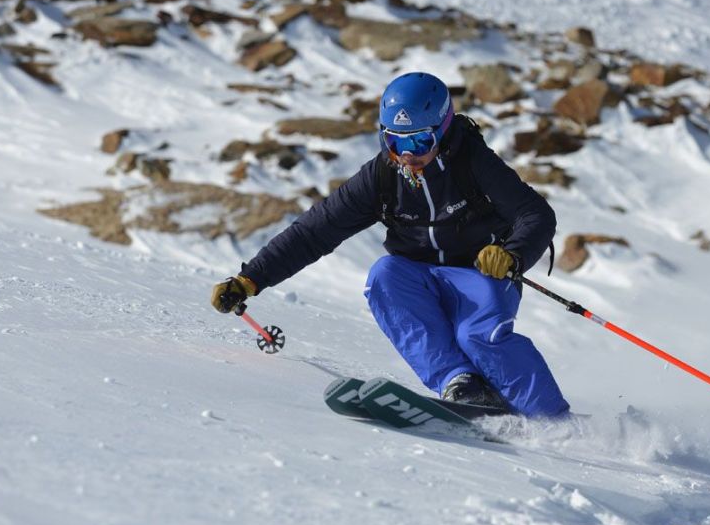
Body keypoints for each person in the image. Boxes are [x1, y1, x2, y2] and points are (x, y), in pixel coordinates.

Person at [211, 72, 569, 417]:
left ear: (442, 132)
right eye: (395, 142)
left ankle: (547, 416)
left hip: (482, 273)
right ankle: (460, 383)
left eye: (418, 142)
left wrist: (512, 253)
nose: (407, 155)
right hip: (420, 280)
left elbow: (535, 214)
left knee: (475, 335)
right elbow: (314, 231)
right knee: (385, 274)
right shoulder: (382, 176)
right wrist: (251, 279)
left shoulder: (473, 163)